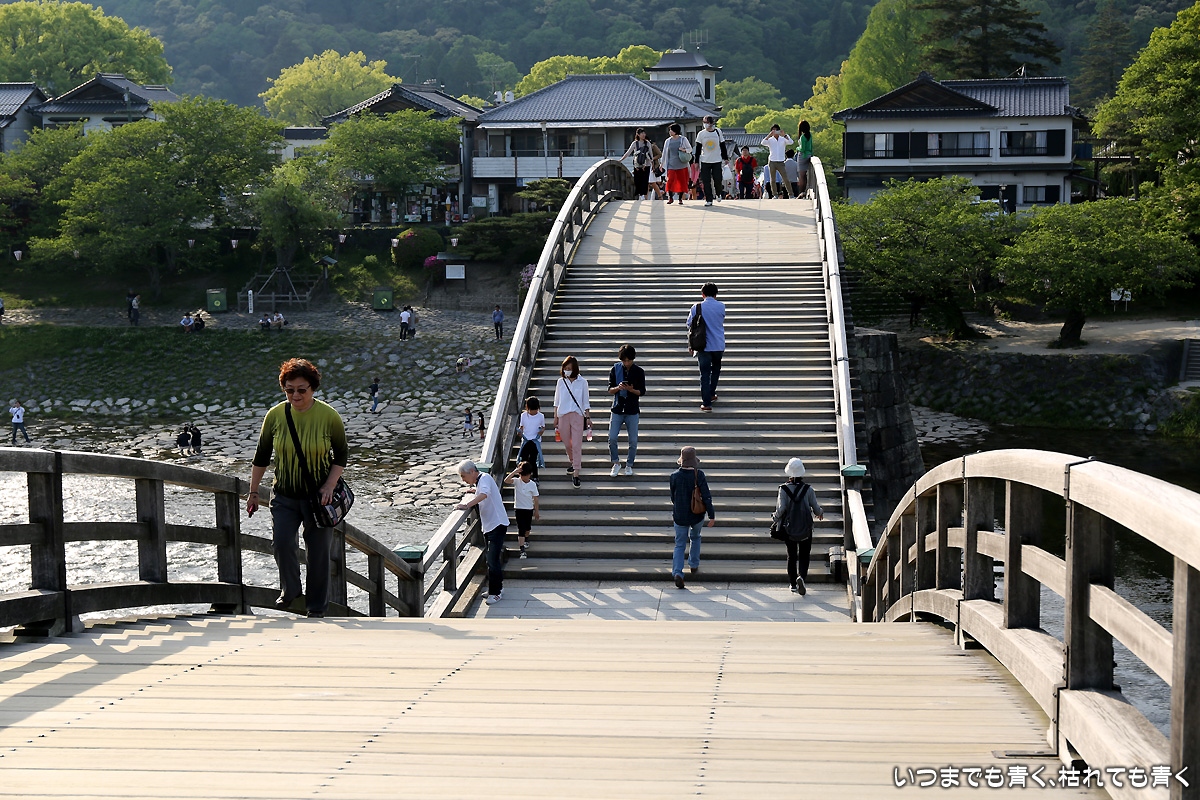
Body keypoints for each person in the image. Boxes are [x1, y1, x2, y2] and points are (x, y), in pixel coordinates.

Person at [246, 358, 348, 619]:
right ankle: (290, 590)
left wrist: (330, 485)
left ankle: (316, 608)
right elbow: (261, 456)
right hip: (284, 495)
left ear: (313, 388)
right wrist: (254, 491)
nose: (295, 395)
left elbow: (341, 455)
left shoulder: (329, 416)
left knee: (318, 554)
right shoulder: (275, 415)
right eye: (289, 390)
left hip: (319, 498)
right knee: (281, 543)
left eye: (302, 390)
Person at [455, 460, 509, 605]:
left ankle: (496, 593)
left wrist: (466, 505)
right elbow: (483, 491)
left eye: (463, 476)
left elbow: (484, 494)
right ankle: (496, 588)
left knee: (492, 560)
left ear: (472, 471)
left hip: (496, 524)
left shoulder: (484, 478)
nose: (463, 480)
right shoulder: (481, 481)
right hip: (491, 525)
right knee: (491, 559)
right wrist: (475, 491)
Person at [772, 458, 824, 595]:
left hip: (789, 528)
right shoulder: (808, 489)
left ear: (788, 473)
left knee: (792, 556)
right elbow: (816, 508)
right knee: (805, 555)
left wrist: (774, 518)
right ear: (802, 473)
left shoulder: (783, 489)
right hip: (806, 527)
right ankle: (802, 577)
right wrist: (820, 513)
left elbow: (781, 508)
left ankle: (793, 584)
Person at [668, 446, 714, 588]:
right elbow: (706, 496)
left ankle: (677, 572)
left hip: (680, 515)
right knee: (695, 537)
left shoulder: (674, 476)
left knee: (679, 544)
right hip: (697, 514)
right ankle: (693, 564)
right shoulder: (699, 475)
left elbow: (673, 497)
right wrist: (711, 515)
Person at [686, 282, 726, 412]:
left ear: (702, 294)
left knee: (704, 374)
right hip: (718, 344)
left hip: (702, 345)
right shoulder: (721, 306)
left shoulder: (696, 307)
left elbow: (689, 325)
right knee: (716, 370)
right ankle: (712, 393)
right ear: (716, 294)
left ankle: (706, 403)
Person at [606, 344, 645, 477]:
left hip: (632, 409)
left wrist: (631, 390)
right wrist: (618, 388)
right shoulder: (615, 368)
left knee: (633, 440)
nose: (626, 363)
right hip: (617, 408)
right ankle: (616, 462)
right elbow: (610, 389)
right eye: (624, 360)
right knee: (612, 438)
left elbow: (642, 391)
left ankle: (629, 464)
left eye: (629, 360)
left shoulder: (639, 371)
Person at [554, 355, 591, 488]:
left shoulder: (582, 382)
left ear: (575, 369)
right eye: (565, 368)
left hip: (577, 415)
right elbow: (556, 401)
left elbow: (586, 401)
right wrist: (555, 417)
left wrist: (588, 417)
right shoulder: (560, 382)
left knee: (576, 444)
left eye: (570, 368)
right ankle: (573, 462)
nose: (567, 371)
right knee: (567, 443)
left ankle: (576, 472)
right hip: (563, 415)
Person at [504, 461, 540, 559]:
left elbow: (536, 499)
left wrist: (536, 511)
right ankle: (522, 549)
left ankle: (526, 539)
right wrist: (514, 471)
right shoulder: (517, 481)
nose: (524, 477)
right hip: (519, 508)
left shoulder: (532, 484)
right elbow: (506, 480)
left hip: (529, 509)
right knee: (521, 528)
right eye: (522, 475)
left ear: (530, 474)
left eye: (526, 475)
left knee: (527, 528)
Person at [692, 114, 727, 207]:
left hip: (717, 160)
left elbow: (722, 146)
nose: (705, 124)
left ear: (711, 123)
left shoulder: (718, 132)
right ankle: (709, 199)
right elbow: (698, 149)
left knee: (717, 179)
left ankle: (718, 193)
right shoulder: (701, 134)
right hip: (705, 160)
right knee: (706, 181)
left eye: (706, 122)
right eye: (704, 122)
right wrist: (696, 162)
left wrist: (726, 158)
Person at [620, 127, 662, 200]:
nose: (643, 135)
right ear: (638, 134)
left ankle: (645, 198)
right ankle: (640, 196)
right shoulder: (635, 143)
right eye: (642, 133)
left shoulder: (648, 143)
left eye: (644, 133)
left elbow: (651, 155)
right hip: (637, 165)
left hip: (647, 165)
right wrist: (621, 160)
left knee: (646, 182)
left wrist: (653, 165)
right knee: (638, 181)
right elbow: (628, 152)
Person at [660, 123, 692, 205]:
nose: (670, 132)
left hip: (682, 164)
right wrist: (662, 164)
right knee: (670, 181)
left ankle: (680, 198)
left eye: (671, 130)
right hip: (671, 165)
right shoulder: (668, 141)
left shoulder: (683, 139)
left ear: (675, 131)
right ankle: (670, 197)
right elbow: (664, 153)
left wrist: (684, 150)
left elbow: (690, 149)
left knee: (682, 182)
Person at [760, 125, 794, 199]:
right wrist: (769, 135)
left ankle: (791, 194)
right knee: (773, 179)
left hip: (781, 161)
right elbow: (763, 142)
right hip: (772, 161)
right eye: (774, 130)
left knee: (785, 179)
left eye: (776, 130)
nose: (775, 132)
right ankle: (775, 194)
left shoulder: (783, 139)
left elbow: (791, 142)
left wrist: (784, 135)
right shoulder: (770, 140)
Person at [519, 395, 546, 468]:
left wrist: (541, 432)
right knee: (524, 459)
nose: (533, 412)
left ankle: (534, 474)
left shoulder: (541, 416)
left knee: (533, 460)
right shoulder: (523, 415)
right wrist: (520, 432)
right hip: (526, 440)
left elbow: (543, 427)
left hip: (535, 440)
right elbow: (521, 426)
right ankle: (524, 473)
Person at [796, 120, 814, 196]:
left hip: (802, 156)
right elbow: (811, 147)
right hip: (809, 155)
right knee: (806, 175)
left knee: (802, 175)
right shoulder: (810, 135)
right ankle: (806, 191)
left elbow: (802, 149)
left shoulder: (803, 137)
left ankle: (802, 191)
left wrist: (797, 148)